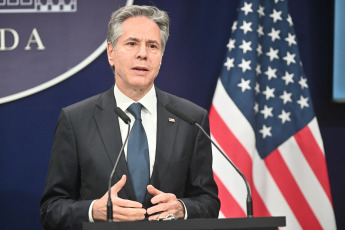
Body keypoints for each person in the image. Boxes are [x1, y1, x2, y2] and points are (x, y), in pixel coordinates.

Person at [40, 5, 220, 230]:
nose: (143, 54)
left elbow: (209, 201)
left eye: (152, 46)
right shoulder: (76, 120)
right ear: (111, 52)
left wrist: (182, 209)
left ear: (161, 57)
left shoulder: (191, 119)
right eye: (132, 43)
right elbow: (51, 208)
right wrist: (93, 210)